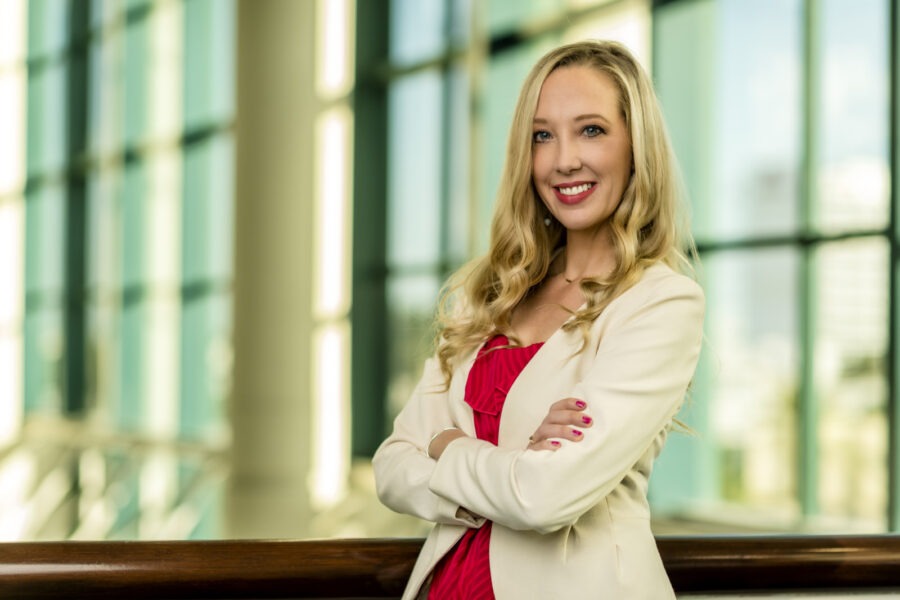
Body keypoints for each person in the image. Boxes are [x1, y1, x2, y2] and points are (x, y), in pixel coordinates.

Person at [372, 39, 705, 599]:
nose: (563, 160)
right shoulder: (491, 296)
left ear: (635, 145)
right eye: (542, 135)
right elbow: (390, 466)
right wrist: (512, 464)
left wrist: (447, 445)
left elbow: (544, 498)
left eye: (591, 130)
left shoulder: (661, 304)